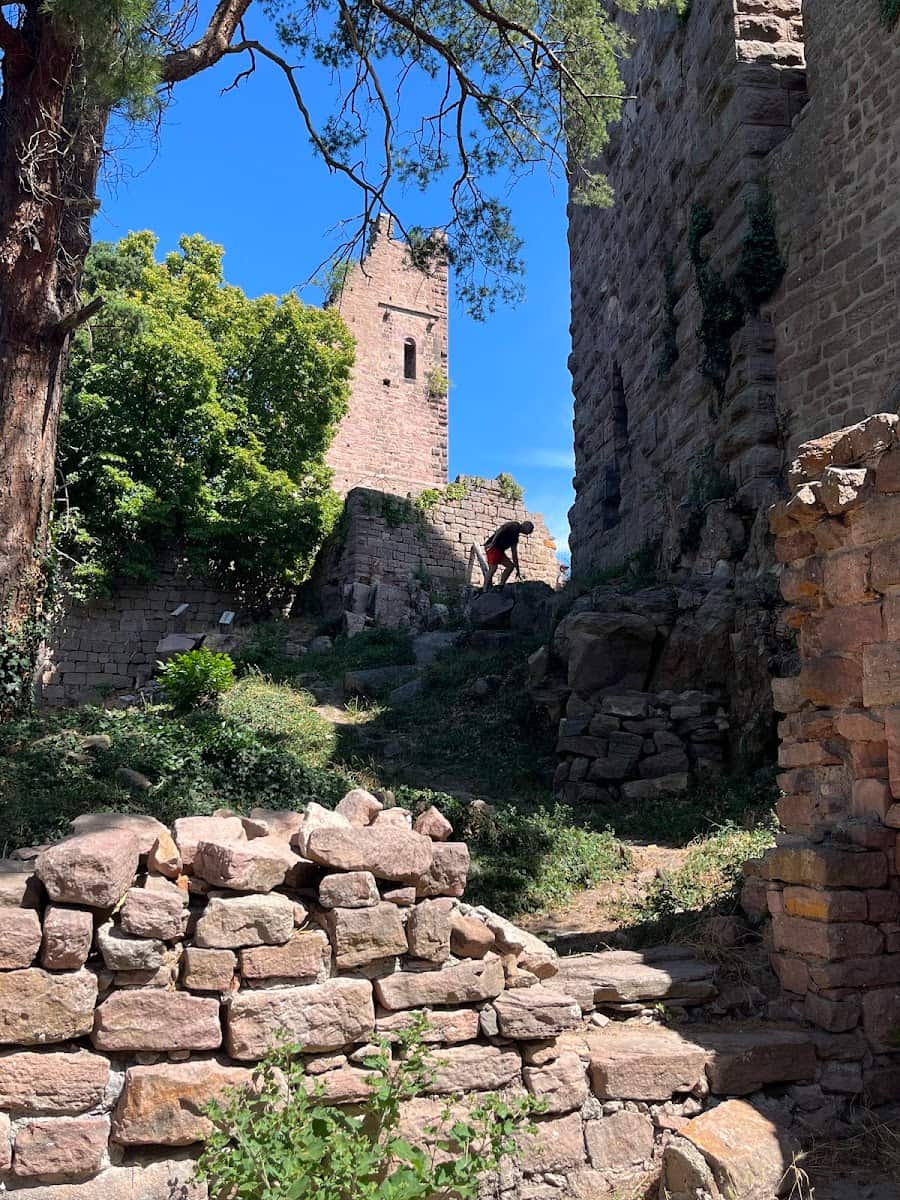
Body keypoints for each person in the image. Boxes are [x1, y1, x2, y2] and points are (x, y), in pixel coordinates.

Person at [483, 520, 534, 590]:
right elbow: (500, 530)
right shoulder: (515, 525)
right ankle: (485, 589)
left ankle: (500, 585)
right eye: (530, 529)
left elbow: (514, 554)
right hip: (493, 547)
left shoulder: (515, 537)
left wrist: (518, 570)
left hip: (499, 550)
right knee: (493, 568)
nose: (528, 533)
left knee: (510, 566)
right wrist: (492, 543)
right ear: (526, 526)